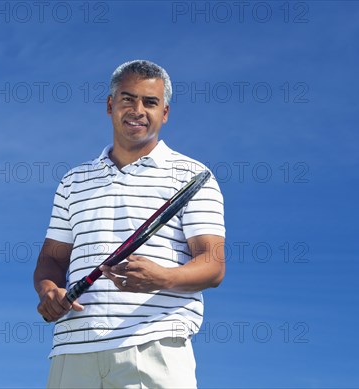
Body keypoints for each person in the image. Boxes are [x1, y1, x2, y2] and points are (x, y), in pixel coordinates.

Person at [33, 60, 225, 388]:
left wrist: (162, 277)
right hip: (72, 351)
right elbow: (51, 259)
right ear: (110, 105)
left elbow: (213, 264)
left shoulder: (192, 175)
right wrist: (49, 291)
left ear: (165, 112)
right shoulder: (73, 181)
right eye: (127, 99)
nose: (137, 110)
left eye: (150, 102)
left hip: (154, 344)